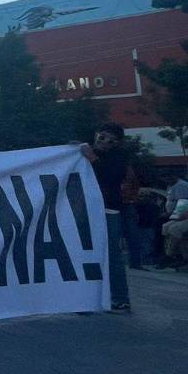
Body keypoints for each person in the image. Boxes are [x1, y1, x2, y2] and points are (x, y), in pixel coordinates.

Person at [80, 123, 131, 311]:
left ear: (117, 144)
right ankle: (83, 298)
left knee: (112, 254)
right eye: (103, 137)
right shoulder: (81, 152)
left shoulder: (119, 158)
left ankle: (120, 298)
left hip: (108, 210)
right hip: (85, 209)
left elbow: (111, 177)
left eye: (111, 140)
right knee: (83, 252)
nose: (105, 142)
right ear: (96, 135)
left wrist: (92, 158)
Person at [157, 170, 188, 269]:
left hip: (184, 215)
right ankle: (179, 255)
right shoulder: (171, 186)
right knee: (165, 227)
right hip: (178, 215)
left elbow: (183, 204)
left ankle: (169, 255)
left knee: (174, 229)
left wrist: (171, 215)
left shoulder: (182, 185)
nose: (166, 181)